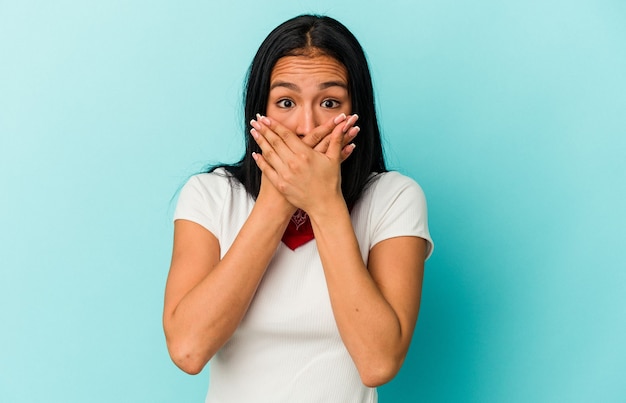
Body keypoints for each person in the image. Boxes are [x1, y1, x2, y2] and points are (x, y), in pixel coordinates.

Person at [163, 14, 433, 403]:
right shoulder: (210, 195)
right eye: (286, 102)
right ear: (260, 113)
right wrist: (278, 201)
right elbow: (188, 349)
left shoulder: (394, 198)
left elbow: (378, 362)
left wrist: (324, 203)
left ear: (358, 112)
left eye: (329, 102)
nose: (306, 125)